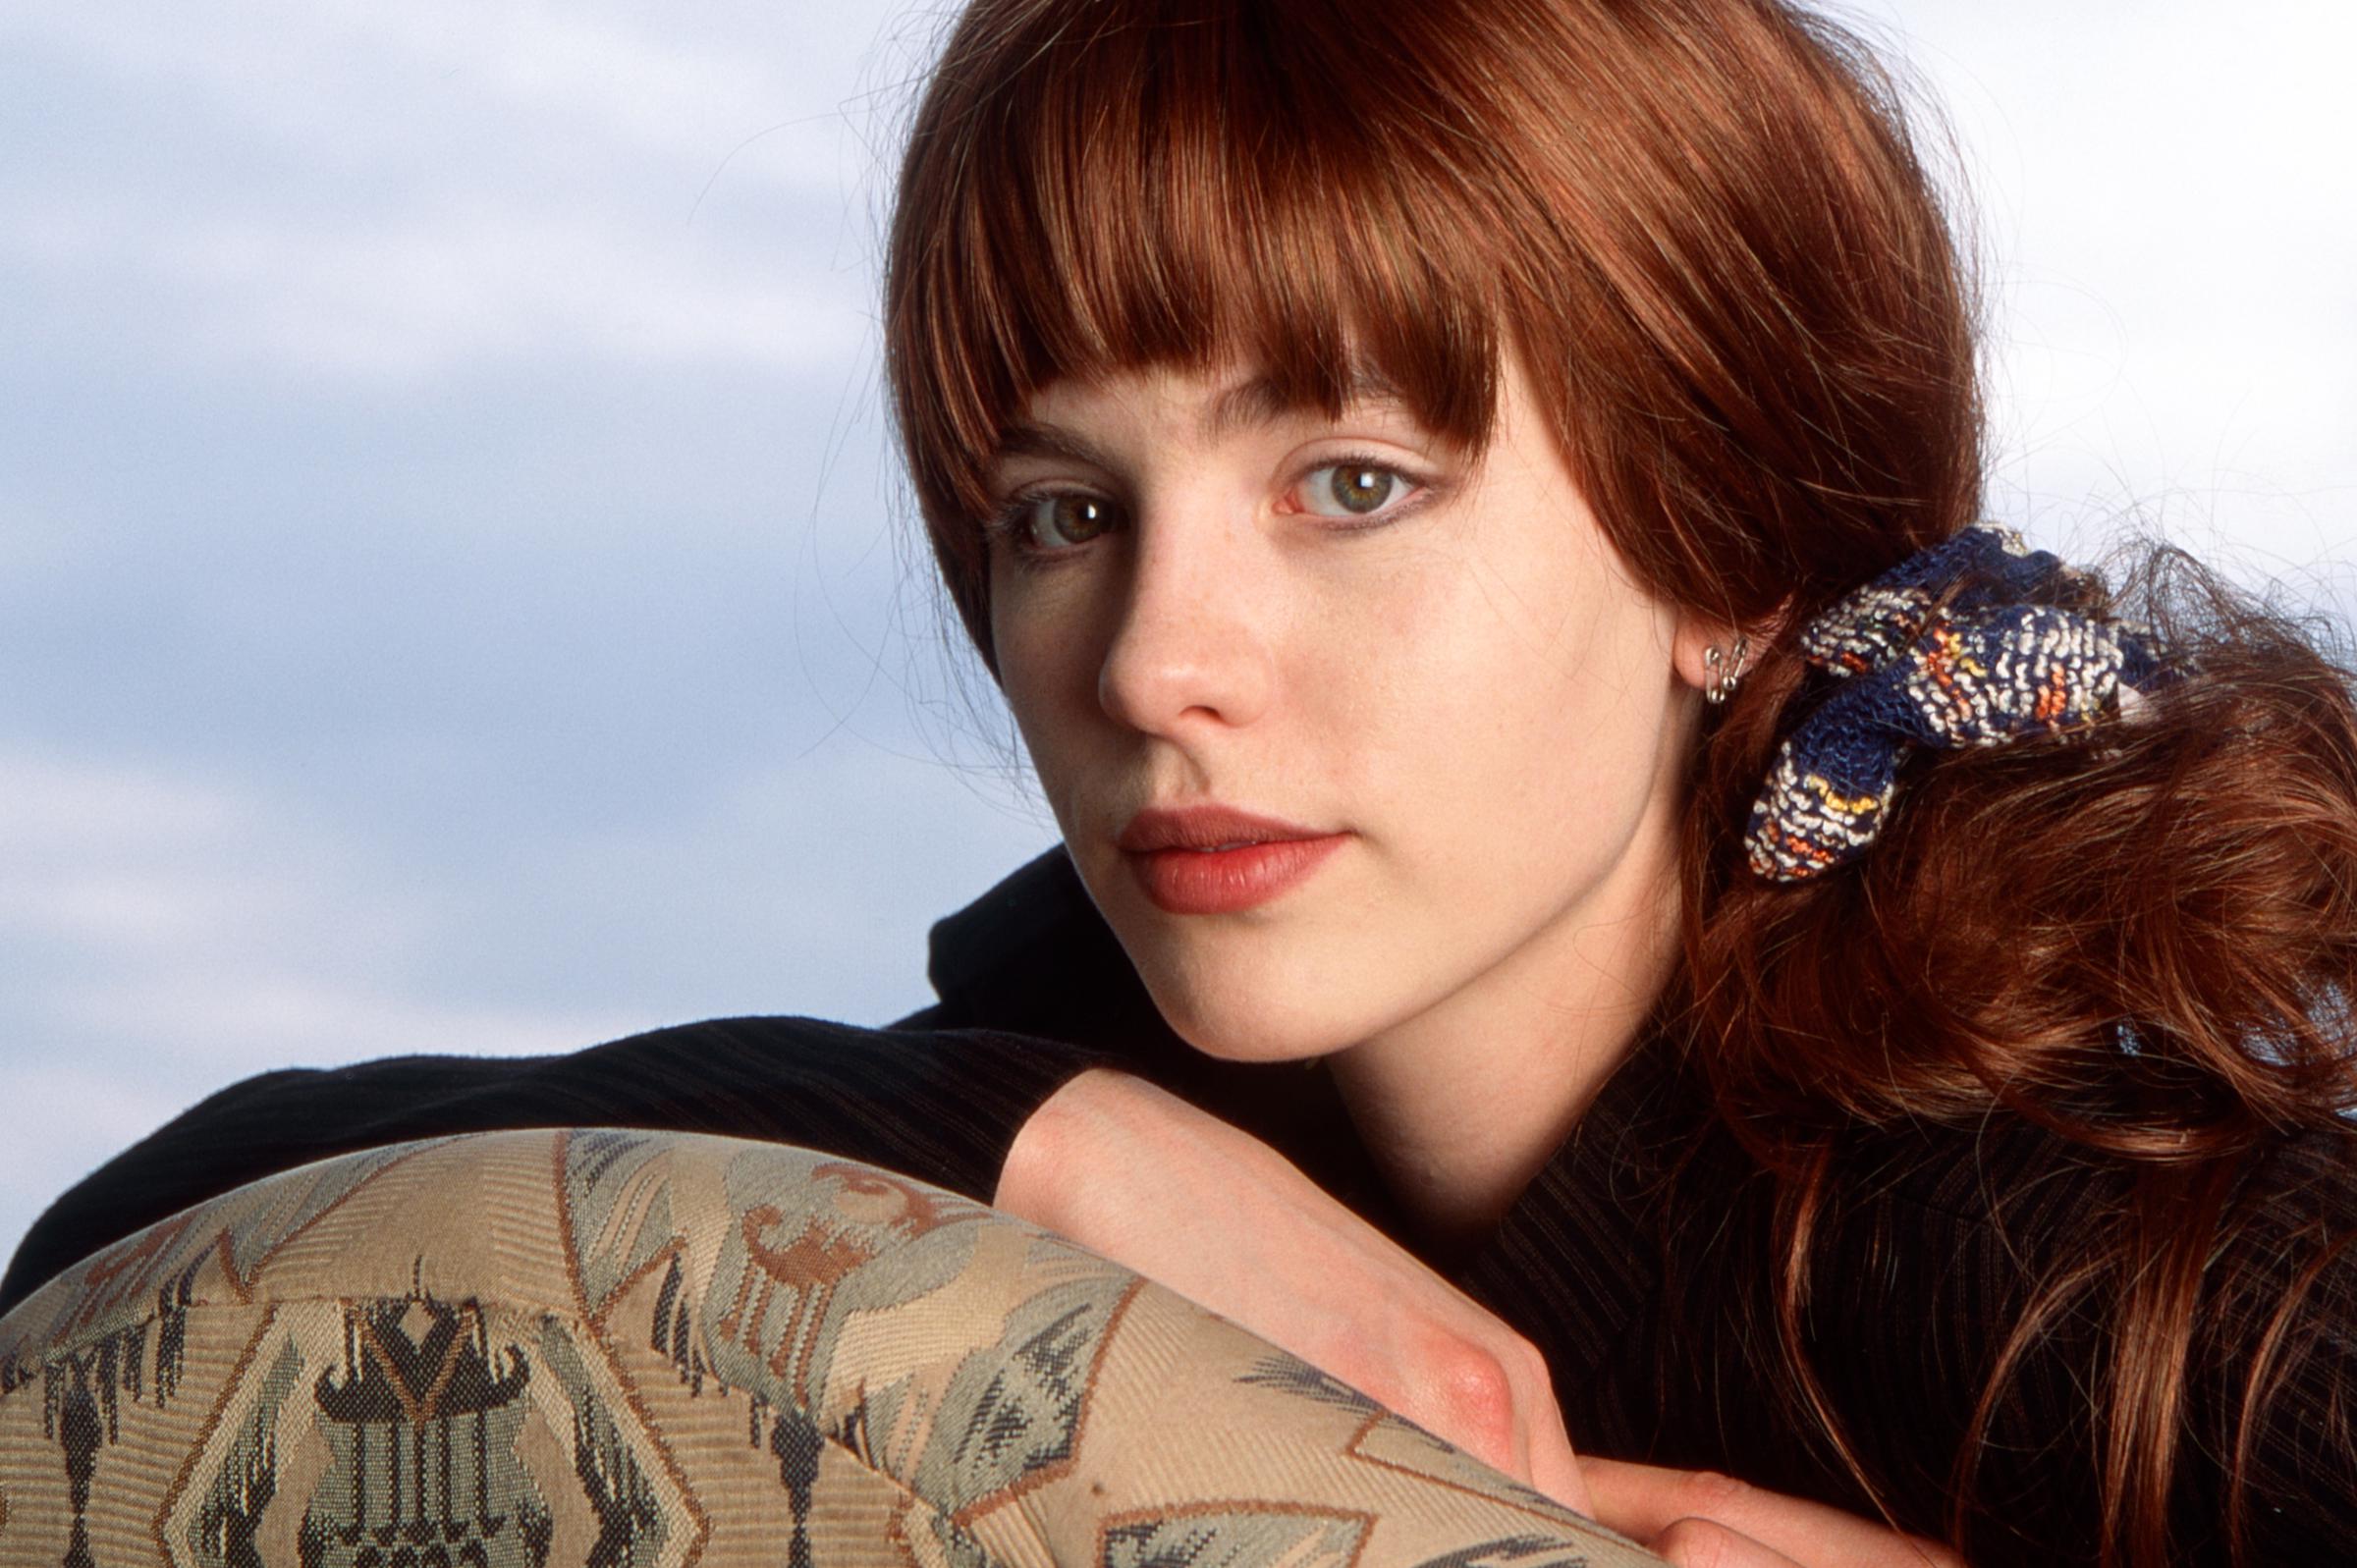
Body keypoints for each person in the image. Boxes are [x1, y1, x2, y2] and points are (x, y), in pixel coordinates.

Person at [5, 1, 2353, 1563]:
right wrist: (1058, 1142)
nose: (1150, 659)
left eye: (1349, 482)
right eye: (1062, 510)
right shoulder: (1104, 1131)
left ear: (1726, 554)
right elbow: (113, 1312)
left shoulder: (2082, 1243)